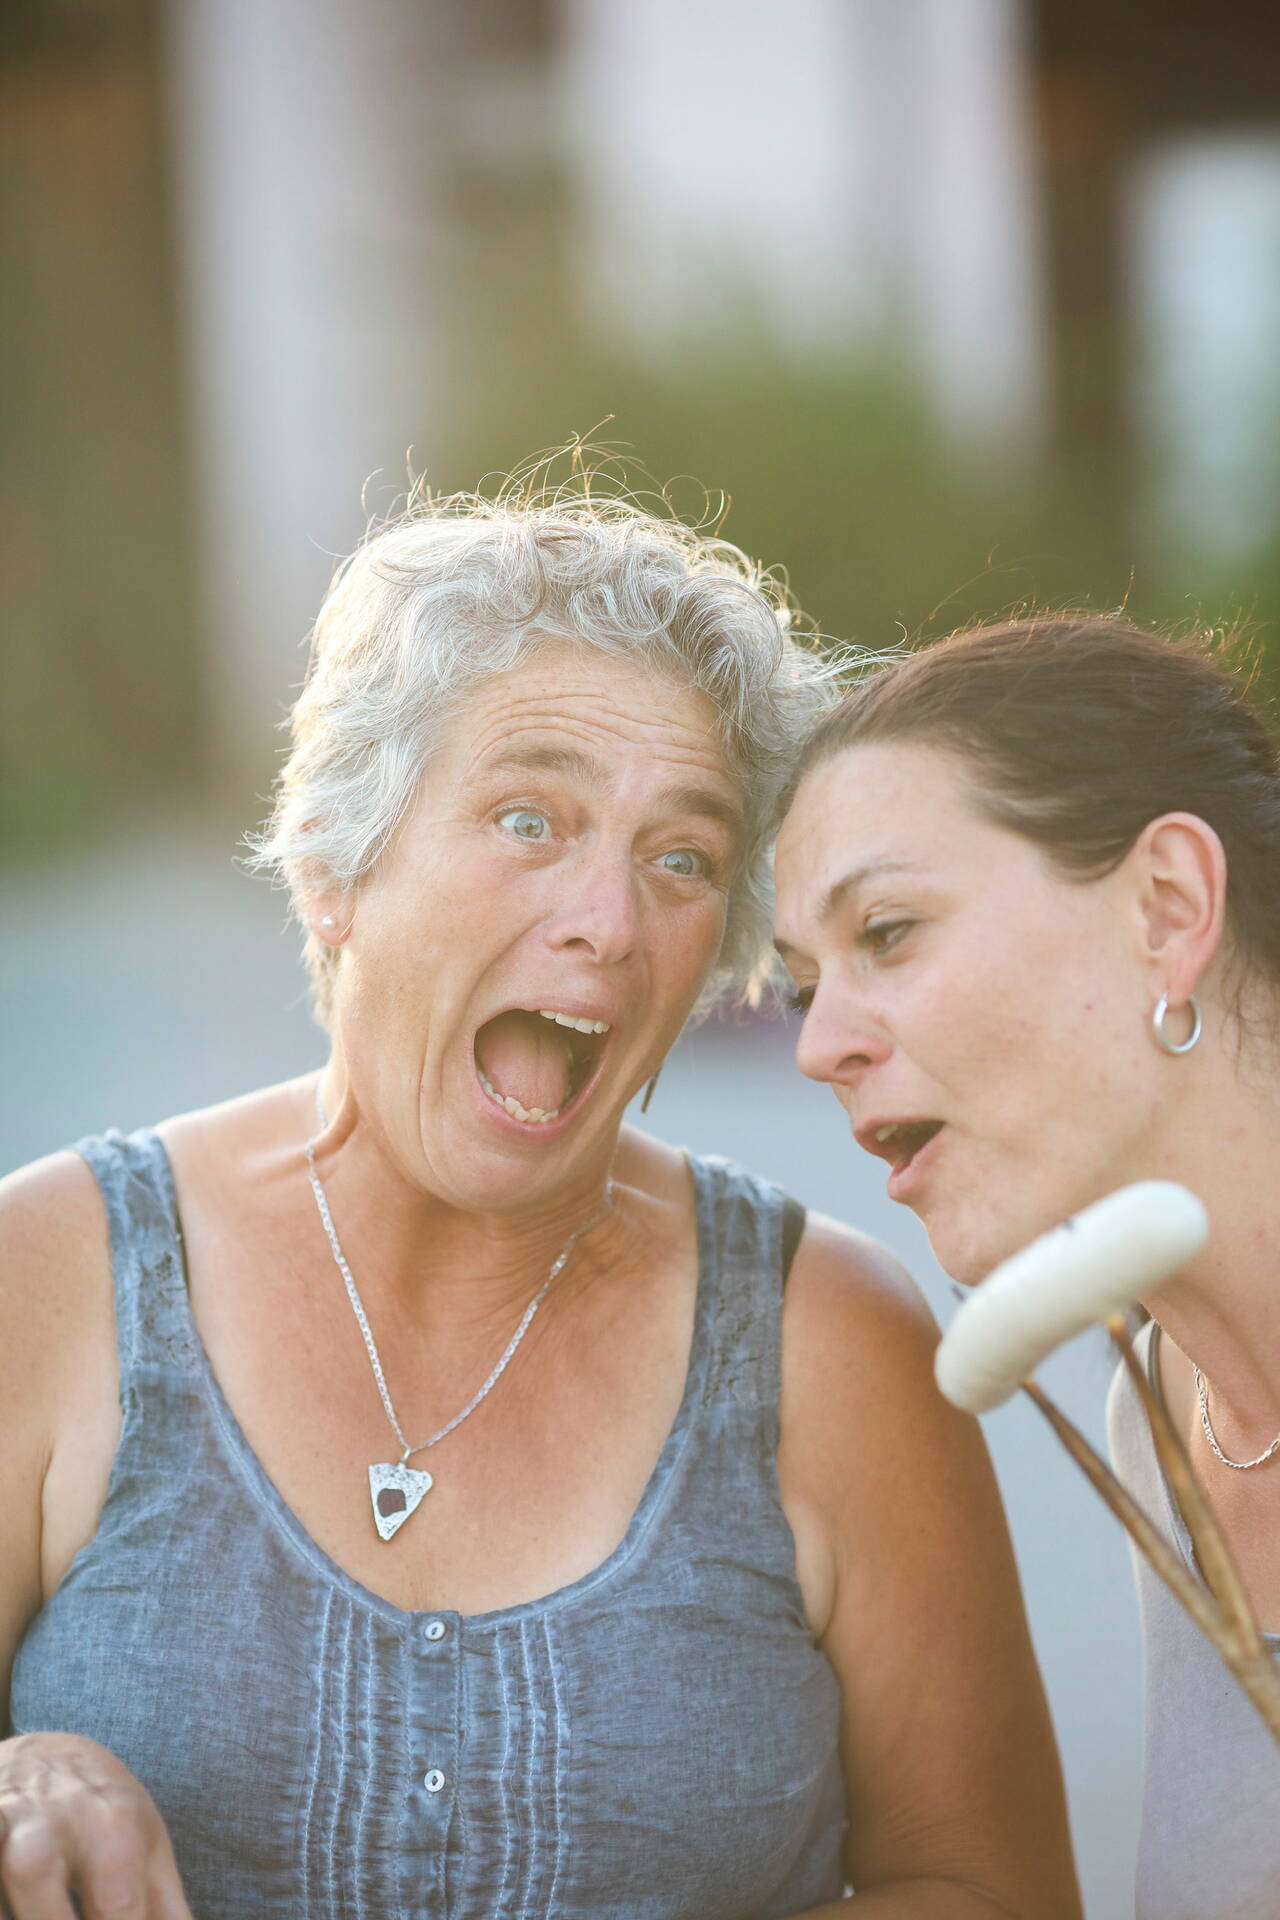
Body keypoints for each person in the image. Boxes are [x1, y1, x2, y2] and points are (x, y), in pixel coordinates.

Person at [0, 487, 1079, 1920]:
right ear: (334, 862)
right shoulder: (53, 1273)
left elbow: (989, 1891)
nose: (610, 921)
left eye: (681, 858)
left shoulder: (838, 1343)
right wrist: (28, 1775)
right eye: (529, 817)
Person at [773, 611, 1280, 1920]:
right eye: (799, 987)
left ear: (1168, 909)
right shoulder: (1164, 1410)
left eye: (886, 932)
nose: (818, 1043)